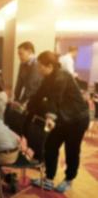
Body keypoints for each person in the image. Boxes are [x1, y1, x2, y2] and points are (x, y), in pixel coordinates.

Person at [28, 51, 89, 193]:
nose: (38, 69)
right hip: (63, 118)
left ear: (49, 65)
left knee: (72, 150)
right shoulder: (48, 77)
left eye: (40, 66)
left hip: (77, 119)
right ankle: (49, 178)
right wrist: (27, 105)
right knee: (50, 146)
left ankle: (69, 179)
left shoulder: (62, 76)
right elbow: (39, 95)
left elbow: (55, 99)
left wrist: (50, 117)